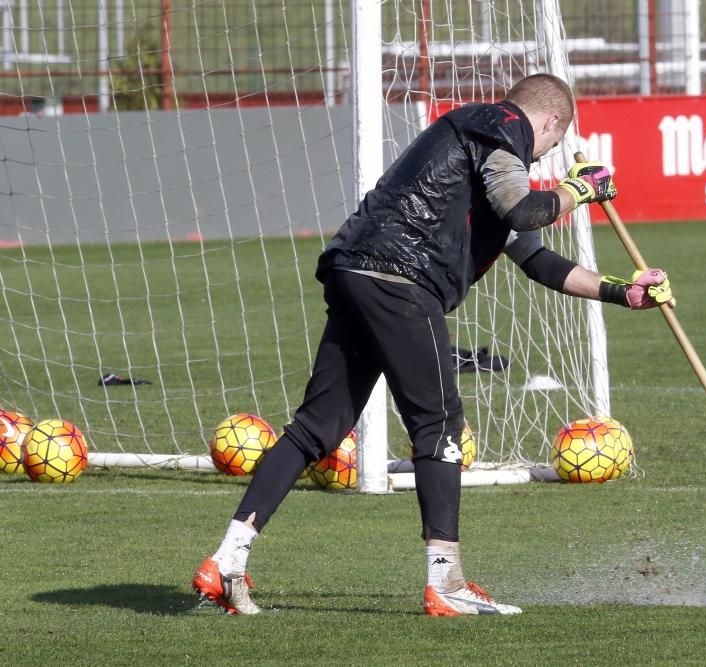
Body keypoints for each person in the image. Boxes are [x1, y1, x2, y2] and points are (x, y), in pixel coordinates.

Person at [192, 73, 674, 616]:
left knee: (317, 429)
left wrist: (623, 291)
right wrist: (580, 190)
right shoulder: (504, 127)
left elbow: (538, 259)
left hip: (357, 269)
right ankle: (445, 584)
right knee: (439, 425)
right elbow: (524, 207)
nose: (540, 160)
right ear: (550, 123)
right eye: (549, 148)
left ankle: (226, 560)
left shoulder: (480, 159)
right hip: (401, 278)